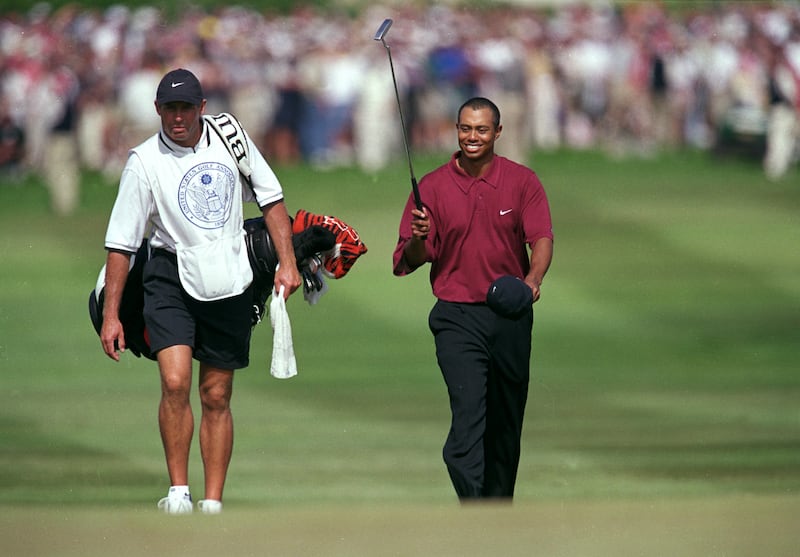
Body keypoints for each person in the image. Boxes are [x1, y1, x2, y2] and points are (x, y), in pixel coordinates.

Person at [99, 68, 301, 514]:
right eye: (169, 108)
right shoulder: (144, 162)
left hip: (228, 273)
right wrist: (112, 314)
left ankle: (212, 502)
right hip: (169, 275)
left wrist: (287, 263)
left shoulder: (230, 135)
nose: (177, 117)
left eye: (185, 107)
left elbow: (270, 198)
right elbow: (122, 243)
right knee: (175, 382)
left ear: (201, 108)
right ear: (157, 110)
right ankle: (177, 493)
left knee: (215, 395)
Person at [392, 97, 553, 501]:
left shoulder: (523, 181)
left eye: (481, 130)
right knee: (466, 427)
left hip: (510, 316)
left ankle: (497, 520)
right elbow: (410, 260)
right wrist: (417, 236)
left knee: (505, 426)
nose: (472, 137)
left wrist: (532, 280)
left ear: (498, 133)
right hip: (457, 317)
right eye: (465, 128)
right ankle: (477, 510)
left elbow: (542, 240)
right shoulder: (431, 187)